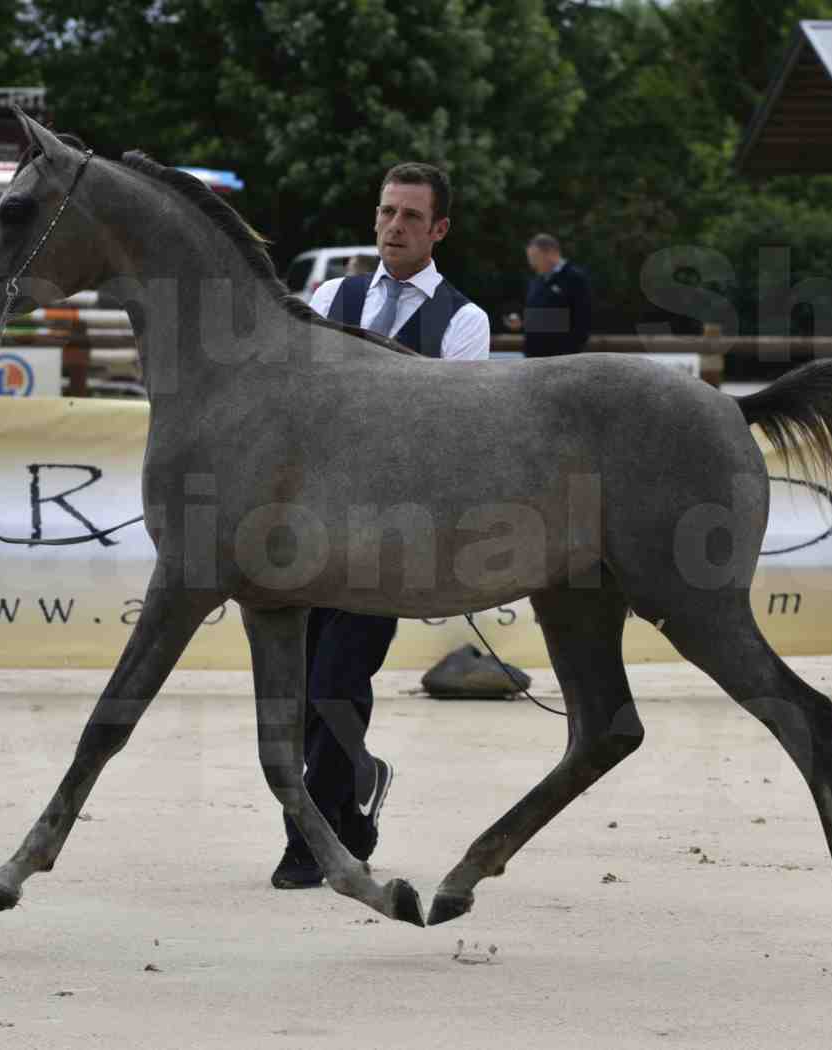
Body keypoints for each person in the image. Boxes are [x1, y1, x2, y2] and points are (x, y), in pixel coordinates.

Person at [268, 163, 489, 890]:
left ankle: (311, 841)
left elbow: (454, 439)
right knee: (303, 685)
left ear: (439, 230)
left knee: (337, 678)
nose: (393, 227)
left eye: (409, 217)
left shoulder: (463, 321)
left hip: (394, 536)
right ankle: (355, 801)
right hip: (312, 526)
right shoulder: (333, 294)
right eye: (386, 212)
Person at [504, 233, 592, 358]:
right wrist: (520, 320)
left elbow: (580, 320)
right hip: (533, 357)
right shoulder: (536, 281)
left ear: (551, 253)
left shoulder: (575, 278)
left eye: (535, 257)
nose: (532, 264)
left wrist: (528, 321)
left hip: (562, 358)